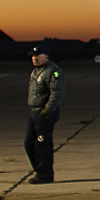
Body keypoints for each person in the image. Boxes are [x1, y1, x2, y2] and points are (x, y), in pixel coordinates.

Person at [25, 51, 62, 183]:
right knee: (29, 143)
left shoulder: (53, 72)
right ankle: (39, 170)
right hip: (34, 111)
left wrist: (47, 110)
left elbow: (56, 93)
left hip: (44, 113)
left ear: (46, 57)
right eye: (33, 56)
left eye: (37, 56)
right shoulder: (36, 71)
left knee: (43, 144)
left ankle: (45, 175)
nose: (34, 59)